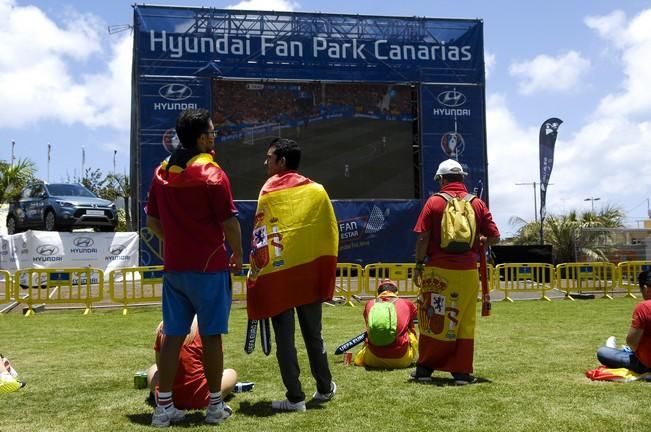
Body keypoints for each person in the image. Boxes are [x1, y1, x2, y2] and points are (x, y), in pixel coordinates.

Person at [146, 108, 243, 427]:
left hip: (175, 268)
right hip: (210, 266)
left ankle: (163, 409)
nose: (214, 137)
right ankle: (215, 406)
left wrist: (173, 243)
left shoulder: (161, 172)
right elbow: (229, 224)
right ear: (202, 138)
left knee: (173, 338)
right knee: (212, 336)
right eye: (212, 133)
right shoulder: (214, 175)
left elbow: (152, 222)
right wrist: (237, 254)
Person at [247, 138, 338, 412]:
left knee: (284, 340)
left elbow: (260, 237)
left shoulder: (268, 192)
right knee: (315, 335)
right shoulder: (318, 191)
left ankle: (295, 398)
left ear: (282, 161)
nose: (265, 162)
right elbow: (329, 232)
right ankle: (324, 388)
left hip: (279, 275)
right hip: (308, 274)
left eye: (269, 157)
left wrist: (256, 275)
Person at [412, 159, 500, 385]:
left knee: (433, 317)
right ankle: (461, 373)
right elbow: (495, 237)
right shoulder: (477, 203)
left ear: (441, 179)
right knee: (463, 322)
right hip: (468, 273)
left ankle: (425, 369)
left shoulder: (434, 202)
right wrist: (481, 241)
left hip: (437, 272)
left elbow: (423, 237)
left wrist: (419, 265)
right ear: (462, 178)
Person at [147, 318, 238, 410]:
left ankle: (161, 396)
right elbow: (217, 371)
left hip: (167, 398)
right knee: (231, 372)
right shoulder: (208, 326)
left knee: (153, 369)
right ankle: (215, 398)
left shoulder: (164, 326)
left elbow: (161, 367)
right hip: (202, 399)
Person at [354, 279, 418, 369]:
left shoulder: (370, 303)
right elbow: (416, 317)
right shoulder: (407, 303)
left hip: (372, 359)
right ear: (396, 292)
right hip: (402, 360)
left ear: (378, 293)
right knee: (410, 327)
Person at [596, 271, 651, 373]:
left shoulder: (644, 307)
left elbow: (632, 343)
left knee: (603, 352)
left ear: (646, 289)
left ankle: (614, 349)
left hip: (646, 364)